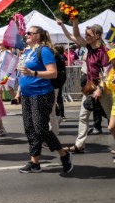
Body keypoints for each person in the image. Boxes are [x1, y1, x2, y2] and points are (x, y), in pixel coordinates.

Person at [16, 26, 74, 174]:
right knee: (30, 128)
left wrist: (33, 72)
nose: (26, 35)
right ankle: (34, 162)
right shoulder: (28, 52)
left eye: (30, 33)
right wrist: (19, 90)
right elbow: (23, 74)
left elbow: (53, 73)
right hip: (27, 95)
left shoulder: (44, 50)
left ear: (38, 36)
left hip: (41, 94)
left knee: (40, 128)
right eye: (26, 32)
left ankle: (64, 154)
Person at [57, 18, 109, 154]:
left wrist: (100, 88)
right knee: (83, 117)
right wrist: (73, 22)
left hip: (103, 90)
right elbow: (76, 35)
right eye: (86, 34)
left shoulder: (104, 52)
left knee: (113, 119)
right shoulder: (89, 48)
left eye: (89, 35)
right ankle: (79, 145)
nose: (86, 37)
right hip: (90, 88)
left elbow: (108, 73)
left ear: (97, 36)